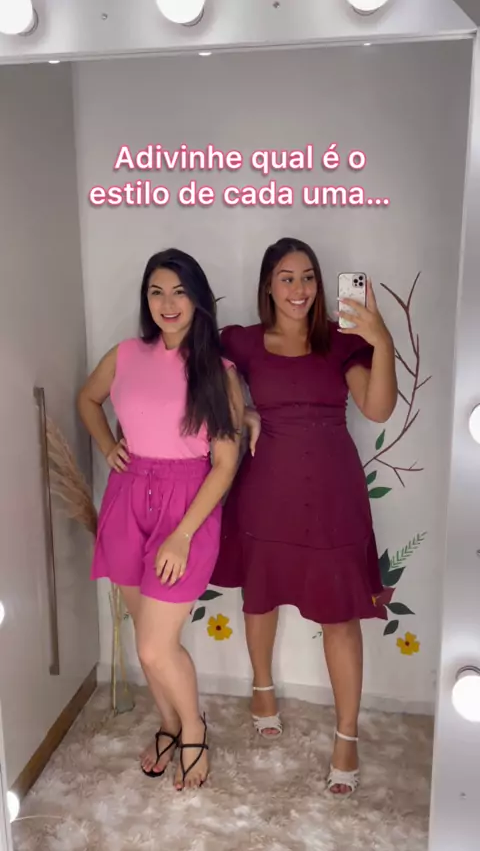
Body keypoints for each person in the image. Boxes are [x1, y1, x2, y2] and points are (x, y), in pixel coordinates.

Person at [211, 237, 397, 796]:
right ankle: (262, 688)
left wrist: (382, 339)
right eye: (287, 278)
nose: (299, 289)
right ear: (268, 286)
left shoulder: (343, 340)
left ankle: (347, 735)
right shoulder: (241, 341)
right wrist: (243, 409)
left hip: (334, 494)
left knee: (340, 614)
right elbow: (201, 367)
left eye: (309, 277)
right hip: (266, 490)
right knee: (261, 595)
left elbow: (378, 408)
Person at [78, 248, 244, 791]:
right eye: (156, 292)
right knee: (145, 642)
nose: (167, 303)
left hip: (186, 507)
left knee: (154, 645)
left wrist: (182, 534)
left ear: (198, 299)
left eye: (179, 291)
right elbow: (87, 399)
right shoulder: (126, 354)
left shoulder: (217, 372)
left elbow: (225, 464)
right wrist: (108, 446)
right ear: (145, 300)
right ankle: (169, 722)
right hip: (127, 499)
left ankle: (193, 728)